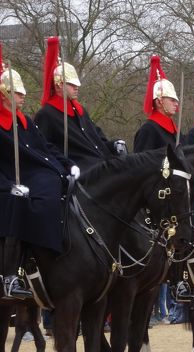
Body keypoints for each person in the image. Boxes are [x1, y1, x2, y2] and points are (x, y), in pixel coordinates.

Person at [0, 46, 77, 300]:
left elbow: (46, 148)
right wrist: (8, 185)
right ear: (4, 95)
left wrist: (67, 165)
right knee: (20, 201)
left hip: (43, 174)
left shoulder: (26, 121)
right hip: (12, 182)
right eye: (17, 93)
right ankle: (10, 275)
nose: (22, 97)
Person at [34, 36, 125, 170]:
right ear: (59, 85)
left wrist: (113, 145)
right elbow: (44, 149)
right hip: (82, 169)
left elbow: (98, 138)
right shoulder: (46, 114)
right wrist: (66, 166)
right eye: (71, 84)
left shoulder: (80, 110)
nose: (76, 87)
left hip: (102, 161)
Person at [133, 55, 182, 153]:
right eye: (172, 100)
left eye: (176, 100)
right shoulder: (148, 130)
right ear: (159, 102)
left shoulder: (176, 130)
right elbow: (141, 164)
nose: (176, 104)